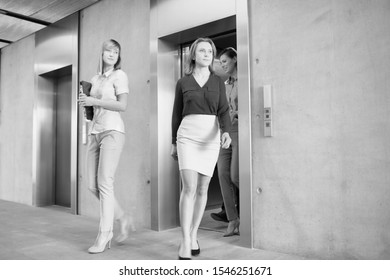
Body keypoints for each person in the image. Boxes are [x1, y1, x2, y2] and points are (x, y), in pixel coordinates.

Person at [171, 38, 232, 259]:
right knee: (189, 188)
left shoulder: (218, 82)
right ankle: (185, 240)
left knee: (203, 189)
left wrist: (225, 131)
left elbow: (224, 110)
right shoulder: (183, 82)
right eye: (202, 51)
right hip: (187, 135)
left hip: (210, 137)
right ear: (194, 55)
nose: (207, 54)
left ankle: (194, 233)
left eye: (210, 51)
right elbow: (176, 113)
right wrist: (173, 142)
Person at [78, 39, 134, 254]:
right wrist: (86, 103)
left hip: (113, 131)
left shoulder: (120, 76)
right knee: (92, 185)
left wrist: (95, 102)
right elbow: (91, 108)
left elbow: (123, 105)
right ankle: (122, 216)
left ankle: (104, 234)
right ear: (101, 53)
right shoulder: (95, 78)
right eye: (109, 50)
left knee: (104, 183)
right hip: (95, 132)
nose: (112, 54)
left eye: (116, 51)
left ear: (118, 56)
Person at [212, 47, 240, 237]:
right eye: (220, 62)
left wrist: (238, 113)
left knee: (235, 176)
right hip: (225, 133)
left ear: (235, 59)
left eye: (225, 61)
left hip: (241, 133)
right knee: (222, 174)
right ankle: (232, 219)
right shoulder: (224, 84)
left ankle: (250, 214)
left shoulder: (244, 80)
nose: (223, 65)